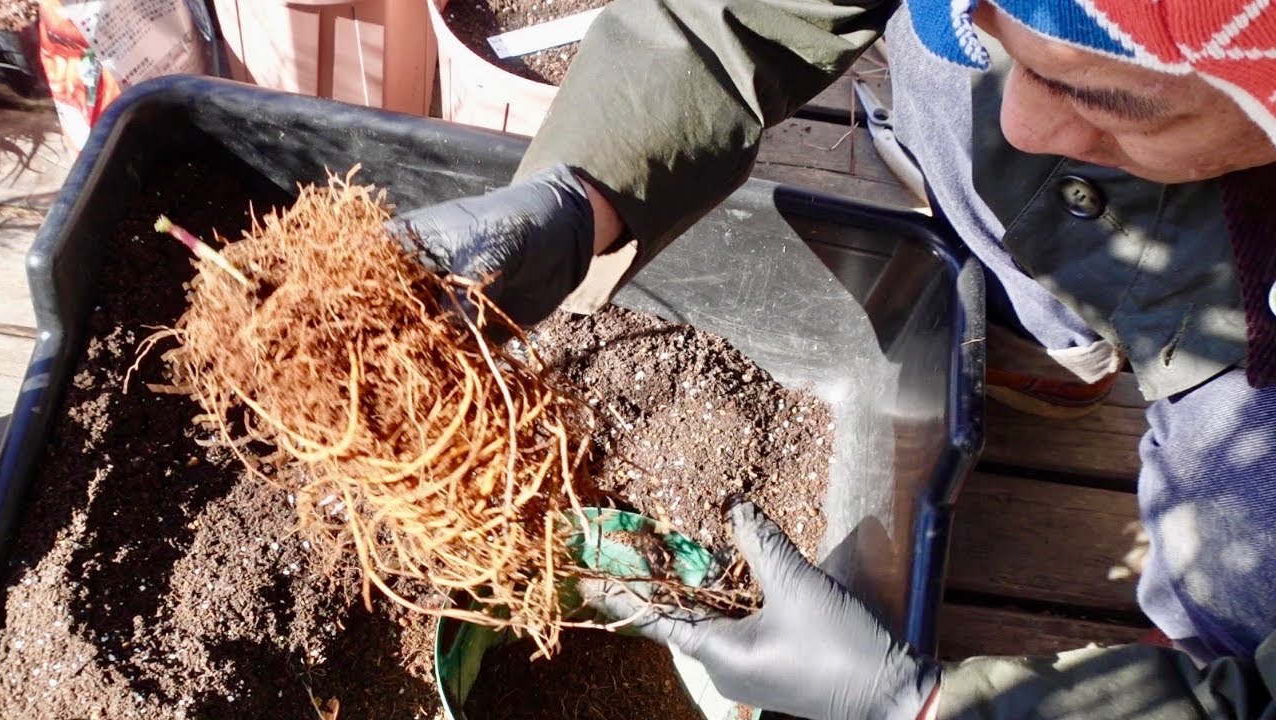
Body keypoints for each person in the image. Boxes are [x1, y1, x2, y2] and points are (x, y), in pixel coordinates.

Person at [388, 0, 1276, 717]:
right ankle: (1058, 339)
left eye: (1113, 102)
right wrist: (589, 190)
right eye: (989, 17)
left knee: (1245, 582)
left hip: (1243, 344)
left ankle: (1206, 661)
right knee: (973, 101)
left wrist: (932, 707)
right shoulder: (1045, 107)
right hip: (1132, 220)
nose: (1021, 118)